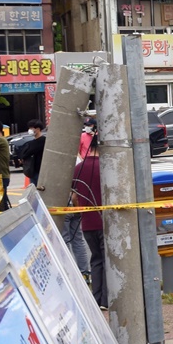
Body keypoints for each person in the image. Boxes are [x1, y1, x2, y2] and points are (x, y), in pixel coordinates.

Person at [73, 130, 107, 307]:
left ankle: (96, 298)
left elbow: (74, 197)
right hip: (107, 222)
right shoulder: (108, 167)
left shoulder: (78, 168)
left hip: (87, 222)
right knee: (108, 260)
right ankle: (107, 299)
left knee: (96, 259)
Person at [21, 119, 46, 185]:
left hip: (40, 171)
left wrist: (24, 155)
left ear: (38, 129)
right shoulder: (33, 141)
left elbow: (30, 151)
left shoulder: (43, 140)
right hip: (32, 171)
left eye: (32, 128)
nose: (30, 130)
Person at [0, 125, 12, 211]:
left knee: (2, 203)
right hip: (3, 175)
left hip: (2, 176)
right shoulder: (2, 140)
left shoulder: (0, 140)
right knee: (2, 201)